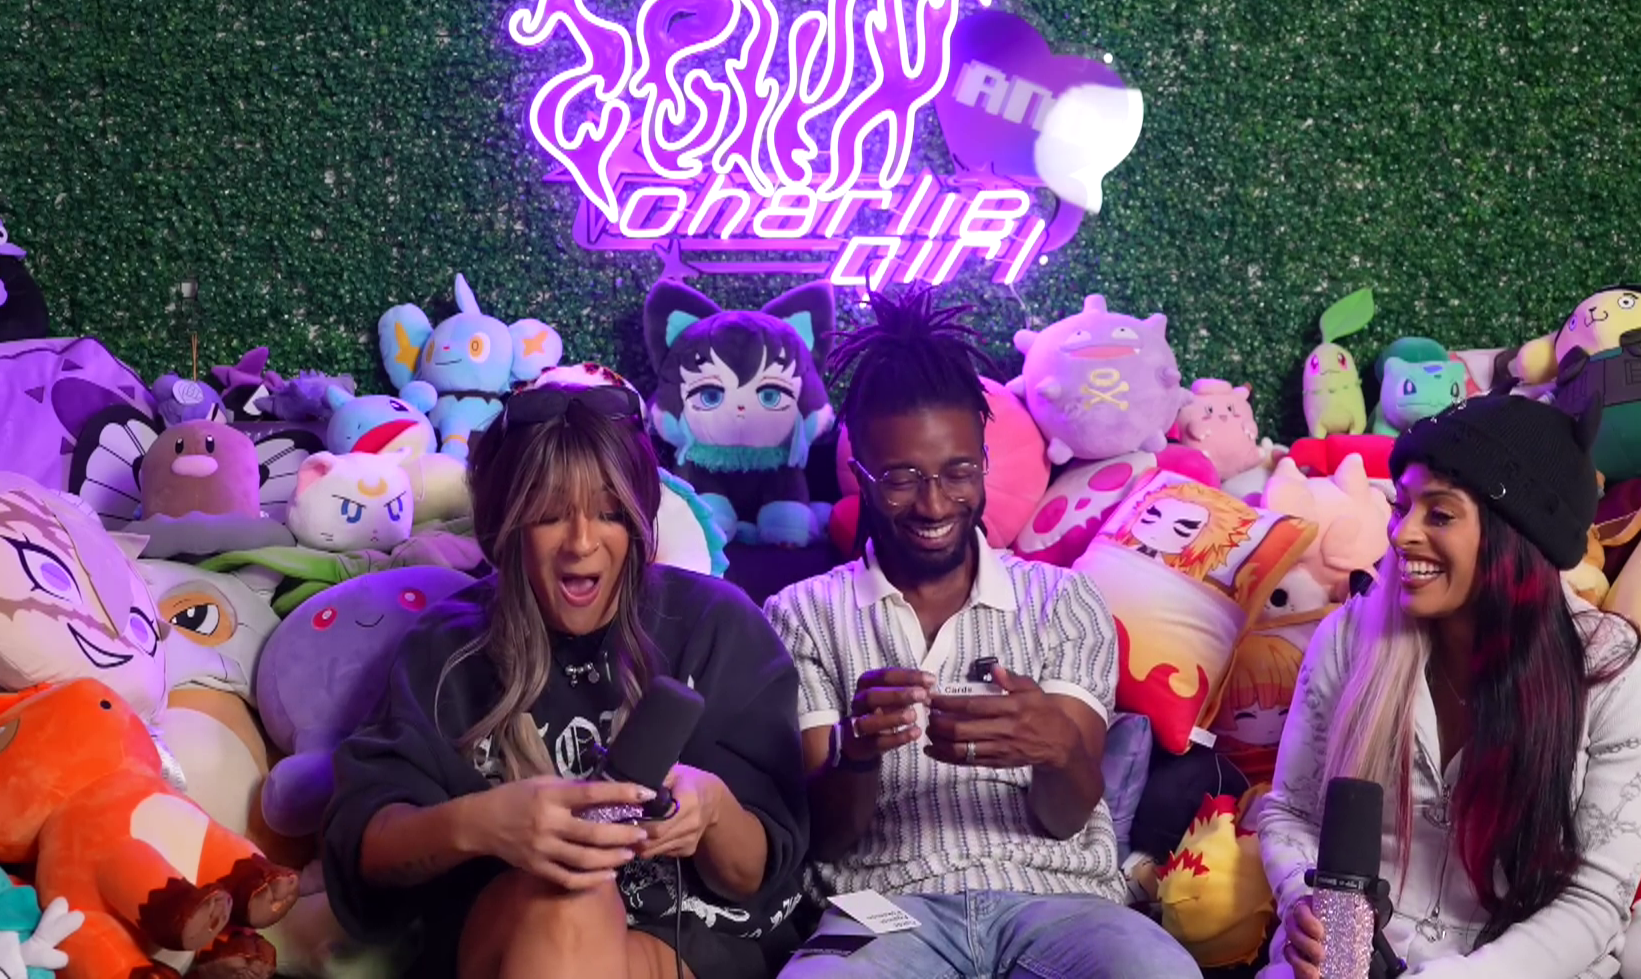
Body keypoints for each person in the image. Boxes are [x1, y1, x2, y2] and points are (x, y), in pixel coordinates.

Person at [765, 288, 1204, 978]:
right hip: (882, 911)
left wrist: (1057, 748)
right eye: (901, 479)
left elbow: (1066, 818)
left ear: (984, 464)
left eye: (959, 472)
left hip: (1061, 903)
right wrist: (856, 755)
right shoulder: (802, 614)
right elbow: (824, 839)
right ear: (859, 475)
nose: (934, 504)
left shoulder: (1062, 600)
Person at [320, 371, 810, 979]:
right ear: (505, 526)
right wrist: (482, 824)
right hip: (514, 932)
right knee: (571, 895)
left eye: (608, 512)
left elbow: (756, 871)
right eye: (550, 515)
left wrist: (710, 809)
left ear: (638, 520)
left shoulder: (716, 626)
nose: (581, 543)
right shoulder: (446, 651)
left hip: (692, 942)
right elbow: (364, 851)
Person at [1256, 395, 1641, 978]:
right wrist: (1302, 905)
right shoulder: (1349, 638)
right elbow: (1290, 812)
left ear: (1516, 536)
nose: (1401, 534)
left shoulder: (1627, 681)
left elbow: (1593, 901)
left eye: (1439, 514)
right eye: (1401, 506)